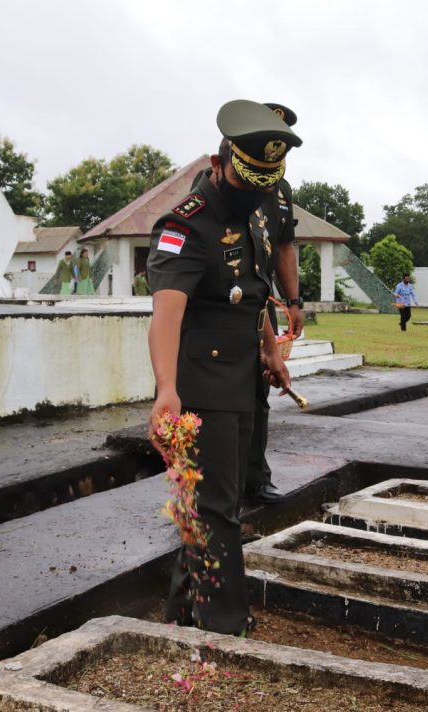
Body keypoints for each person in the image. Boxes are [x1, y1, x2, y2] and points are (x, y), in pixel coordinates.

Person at [147, 99, 299, 636]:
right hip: (200, 382)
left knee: (213, 500)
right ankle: (224, 624)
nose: (256, 194)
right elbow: (167, 314)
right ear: (220, 161)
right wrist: (166, 388)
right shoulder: (185, 225)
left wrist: (271, 350)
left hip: (239, 376)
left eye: (265, 184)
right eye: (247, 181)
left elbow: (253, 293)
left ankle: (184, 610)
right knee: (217, 508)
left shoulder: (256, 212)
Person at [243, 102, 303, 506]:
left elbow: (284, 246)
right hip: (227, 302)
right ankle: (213, 485)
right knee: (224, 397)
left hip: (260, 304)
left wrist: (295, 300)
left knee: (259, 392)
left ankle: (256, 479)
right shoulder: (222, 177)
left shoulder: (280, 189)